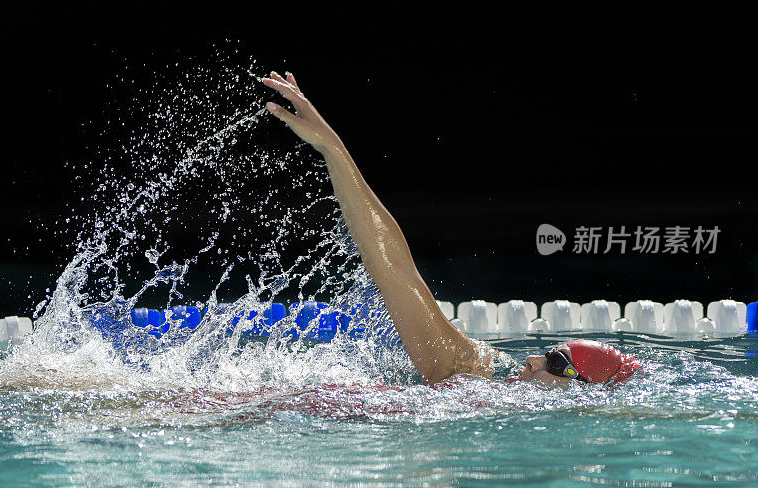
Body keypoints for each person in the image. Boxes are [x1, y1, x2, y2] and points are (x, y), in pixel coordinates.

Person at [262, 72, 640, 386]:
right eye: (548, 352)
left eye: (555, 363)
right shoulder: (471, 366)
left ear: (579, 391)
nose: (532, 359)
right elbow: (395, 268)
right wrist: (334, 149)